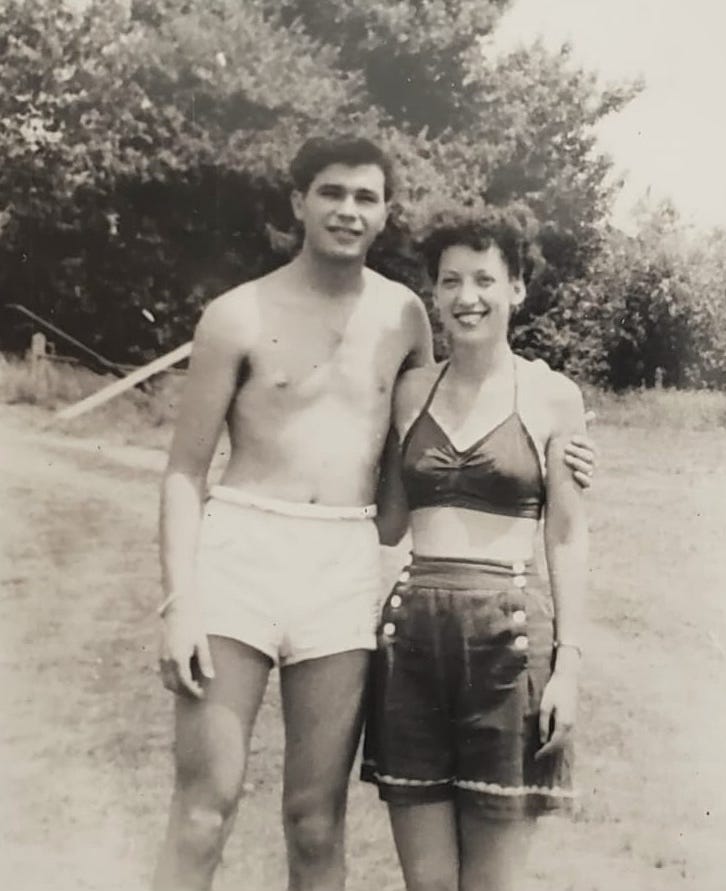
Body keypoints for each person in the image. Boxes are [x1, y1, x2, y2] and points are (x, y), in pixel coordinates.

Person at [153, 136, 595, 891]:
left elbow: (455, 431)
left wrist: (567, 454)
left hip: (342, 561)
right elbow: (184, 472)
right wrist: (179, 600)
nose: (347, 210)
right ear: (299, 202)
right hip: (242, 551)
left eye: (365, 197)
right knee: (204, 809)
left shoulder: (405, 319)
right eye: (331, 193)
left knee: (315, 819)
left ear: (386, 211)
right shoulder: (234, 315)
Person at [361, 215, 588, 891]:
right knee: (427, 883)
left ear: (516, 288)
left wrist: (568, 665)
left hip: (509, 641)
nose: (468, 296)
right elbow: (386, 522)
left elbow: (568, 536)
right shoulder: (410, 392)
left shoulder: (554, 395)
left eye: (486, 279)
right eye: (451, 280)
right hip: (414, 639)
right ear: (432, 292)